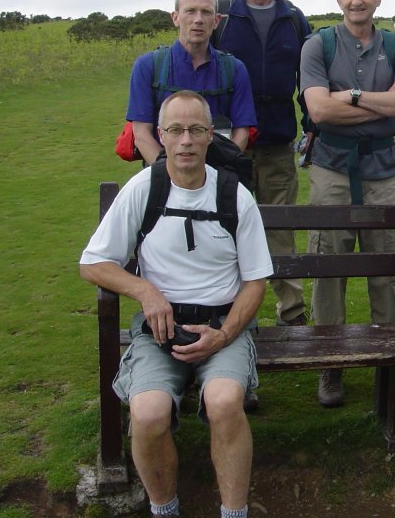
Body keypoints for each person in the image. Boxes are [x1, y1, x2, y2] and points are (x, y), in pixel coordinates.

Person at [80, 91, 273, 518]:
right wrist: (146, 292)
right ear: (160, 137)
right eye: (175, 130)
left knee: (224, 401)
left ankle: (233, 512)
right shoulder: (143, 189)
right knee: (148, 412)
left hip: (223, 326)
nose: (185, 140)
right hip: (159, 331)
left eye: (196, 130)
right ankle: (164, 509)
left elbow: (256, 281)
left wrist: (223, 334)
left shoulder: (235, 195)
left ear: (210, 137)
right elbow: (93, 263)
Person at [299, 0, 395, 408]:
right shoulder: (318, 45)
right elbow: (318, 113)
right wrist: (380, 107)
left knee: (388, 264)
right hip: (331, 169)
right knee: (328, 269)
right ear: (338, 1)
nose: (357, 1)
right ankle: (330, 364)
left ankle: (392, 359)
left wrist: (348, 96)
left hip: (385, 171)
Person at [214, 0, 312, 328]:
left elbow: (309, 78)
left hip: (276, 143)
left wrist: (312, 127)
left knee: (279, 231)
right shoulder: (222, 17)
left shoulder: (293, 17)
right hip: (227, 147)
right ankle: (233, 317)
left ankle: (292, 313)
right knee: (227, 233)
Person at [127, 0, 257, 166]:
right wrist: (171, 178)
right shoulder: (148, 67)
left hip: (218, 178)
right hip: (164, 179)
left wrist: (216, 178)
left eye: (206, 12)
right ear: (176, 17)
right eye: (190, 11)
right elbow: (141, 134)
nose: (198, 19)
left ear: (216, 20)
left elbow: (242, 132)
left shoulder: (234, 69)